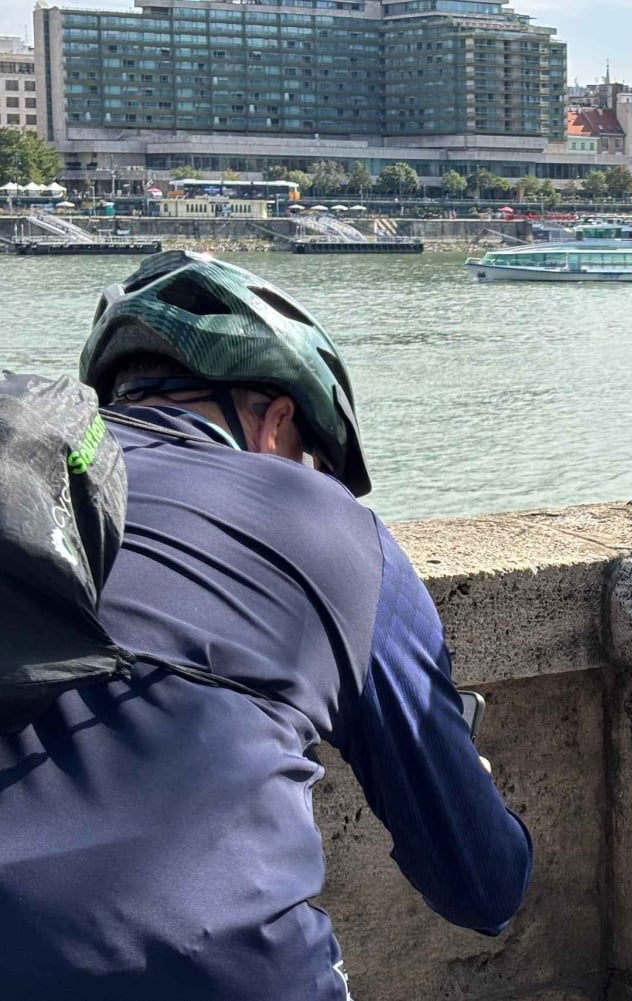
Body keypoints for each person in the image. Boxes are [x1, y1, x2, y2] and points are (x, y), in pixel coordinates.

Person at [0, 251, 533, 1001]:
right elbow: (481, 882)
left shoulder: (32, 493)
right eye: (310, 457)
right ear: (277, 420)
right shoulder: (336, 528)